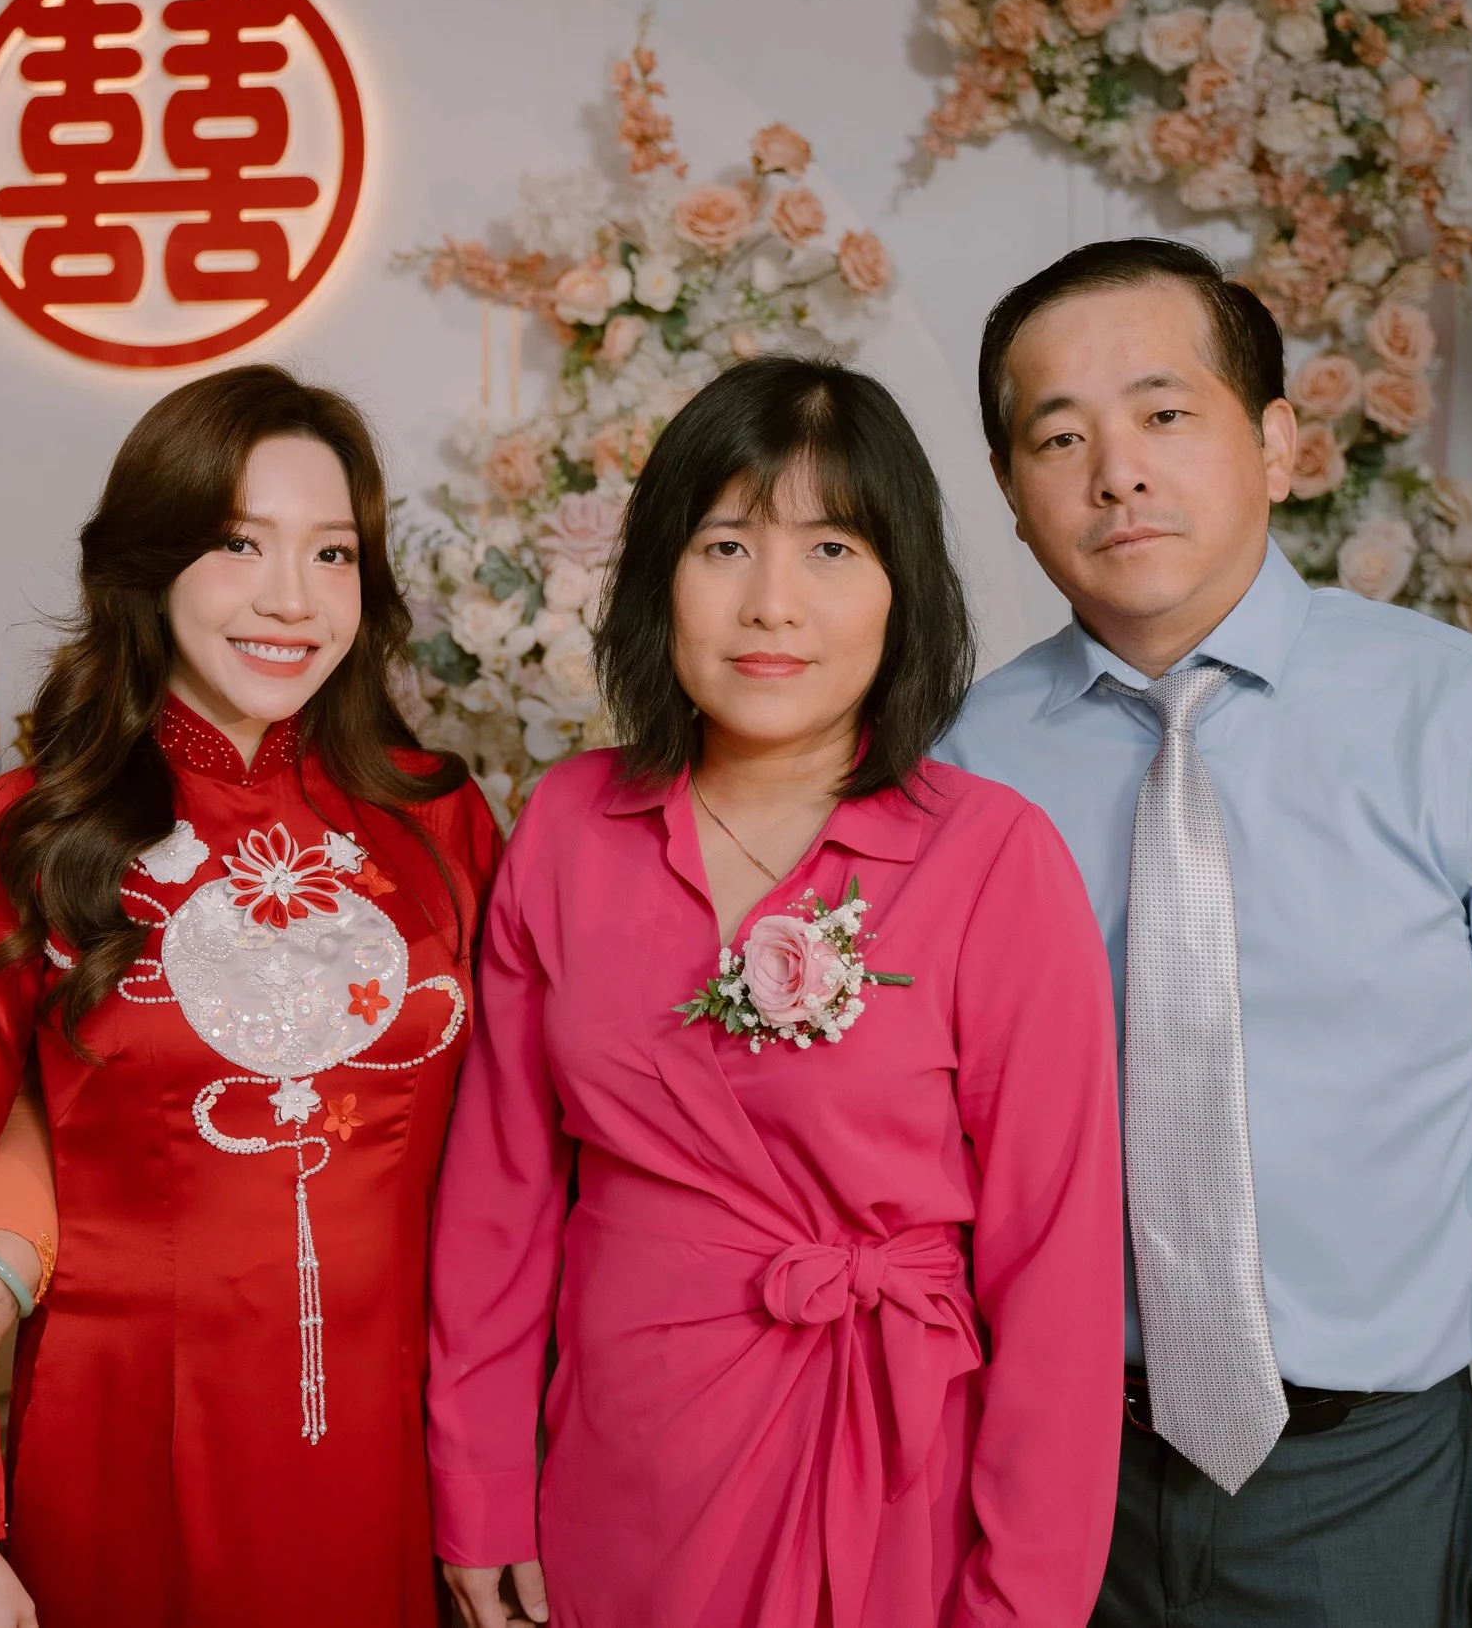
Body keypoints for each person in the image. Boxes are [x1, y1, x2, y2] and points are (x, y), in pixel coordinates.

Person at [935, 237, 1472, 1628]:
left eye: (1165, 412)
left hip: (1365, 1480)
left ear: (1276, 444)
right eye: (1060, 436)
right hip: (1037, 1471)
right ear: (1009, 492)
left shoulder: (1462, 716)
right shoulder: (963, 760)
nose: (1117, 472)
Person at [429, 356, 1124, 1627]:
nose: (771, 603)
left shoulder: (992, 857)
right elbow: (499, 1201)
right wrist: (479, 1486)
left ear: (902, 590)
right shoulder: (569, 828)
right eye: (725, 545)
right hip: (622, 1470)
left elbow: (1057, 1264)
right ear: (660, 576)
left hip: (892, 1470)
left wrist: (1027, 1598)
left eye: (831, 549)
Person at [0, 364, 503, 1627]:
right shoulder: (41, 832)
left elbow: (506, 1172)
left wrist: (496, 1478)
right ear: (148, 562)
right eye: (239, 543)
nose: (291, 597)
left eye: (331, 553)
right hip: (125, 1438)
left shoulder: (438, 818)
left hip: (392, 1446)